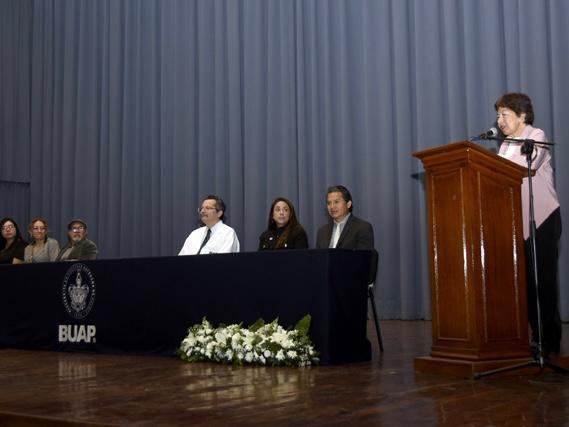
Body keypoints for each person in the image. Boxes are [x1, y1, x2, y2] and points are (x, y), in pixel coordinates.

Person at [495, 92, 562, 355]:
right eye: (498, 115)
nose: (499, 120)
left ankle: (550, 339)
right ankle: (534, 337)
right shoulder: (503, 146)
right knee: (524, 283)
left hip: (542, 219)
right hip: (516, 223)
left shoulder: (536, 136)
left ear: (522, 115)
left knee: (543, 280)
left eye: (505, 114)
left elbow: (524, 167)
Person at [315, 185, 374, 250]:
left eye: (336, 202)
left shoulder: (362, 228)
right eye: (329, 203)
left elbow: (364, 257)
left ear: (348, 204)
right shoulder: (322, 232)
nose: (332, 207)